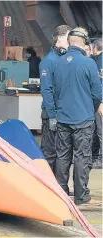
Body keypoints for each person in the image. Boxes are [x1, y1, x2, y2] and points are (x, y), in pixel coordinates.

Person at [52, 27, 103, 206]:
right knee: (82, 156)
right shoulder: (88, 63)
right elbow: (97, 92)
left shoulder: (58, 63)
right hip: (83, 118)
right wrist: (95, 107)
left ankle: (61, 191)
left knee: (63, 156)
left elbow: (55, 90)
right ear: (83, 43)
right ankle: (81, 195)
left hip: (63, 117)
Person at [39, 25, 72, 176]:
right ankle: (47, 185)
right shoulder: (48, 61)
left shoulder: (64, 60)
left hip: (64, 114)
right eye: (68, 39)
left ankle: (60, 186)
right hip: (52, 115)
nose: (70, 42)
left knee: (63, 154)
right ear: (59, 39)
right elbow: (46, 90)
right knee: (50, 153)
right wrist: (52, 115)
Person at [91, 38, 103, 169]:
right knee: (96, 131)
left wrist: (101, 102)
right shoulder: (95, 61)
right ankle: (95, 156)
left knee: (101, 131)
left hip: (100, 103)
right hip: (96, 102)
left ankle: (101, 159)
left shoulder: (100, 62)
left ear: (95, 48)